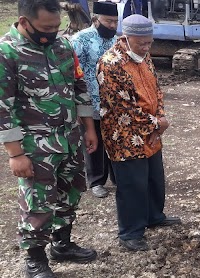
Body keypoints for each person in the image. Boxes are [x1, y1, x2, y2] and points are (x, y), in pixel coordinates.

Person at [0, 0, 99, 278]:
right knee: (38, 202)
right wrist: (15, 154)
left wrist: (89, 128)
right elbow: (2, 108)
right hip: (34, 145)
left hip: (69, 138)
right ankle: (35, 259)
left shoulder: (63, 47)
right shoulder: (7, 52)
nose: (53, 32)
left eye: (56, 27)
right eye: (46, 28)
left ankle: (62, 244)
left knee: (71, 192)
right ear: (24, 21)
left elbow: (79, 87)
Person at [98, 15, 181, 252]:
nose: (146, 48)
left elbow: (157, 89)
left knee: (154, 178)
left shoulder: (144, 57)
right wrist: (157, 123)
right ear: (126, 37)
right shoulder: (111, 64)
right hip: (124, 135)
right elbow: (124, 108)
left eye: (149, 43)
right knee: (132, 184)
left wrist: (161, 118)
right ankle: (131, 232)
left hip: (151, 131)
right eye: (141, 43)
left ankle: (154, 216)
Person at [72, 1, 119, 198]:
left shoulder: (116, 40)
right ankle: (96, 181)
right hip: (89, 101)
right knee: (94, 141)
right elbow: (74, 72)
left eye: (116, 22)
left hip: (113, 103)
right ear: (95, 19)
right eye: (109, 21)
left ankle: (118, 177)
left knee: (114, 140)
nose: (113, 26)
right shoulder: (80, 40)